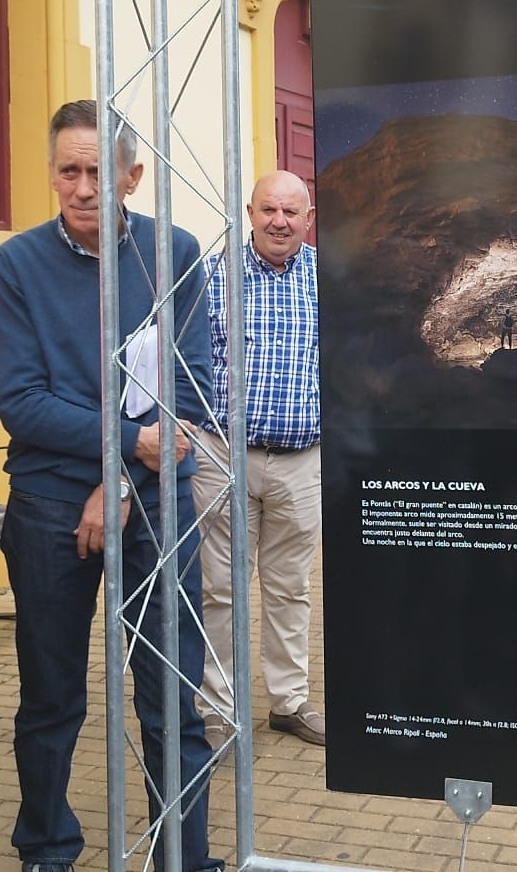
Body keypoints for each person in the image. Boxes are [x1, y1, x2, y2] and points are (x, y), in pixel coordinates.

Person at [0, 101, 220, 872]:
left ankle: (182, 858)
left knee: (171, 698)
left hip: (156, 502)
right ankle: (47, 852)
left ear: (132, 174)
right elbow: (22, 402)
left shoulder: (174, 253)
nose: (83, 187)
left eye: (98, 170)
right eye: (68, 170)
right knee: (50, 698)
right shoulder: (17, 264)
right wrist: (120, 456)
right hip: (52, 506)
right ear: (51, 172)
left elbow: (189, 392)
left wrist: (120, 481)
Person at [195, 171, 325, 747]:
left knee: (290, 585)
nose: (279, 221)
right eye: (268, 209)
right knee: (219, 587)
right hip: (224, 453)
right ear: (249, 213)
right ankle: (215, 709)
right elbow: (180, 360)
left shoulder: (329, 278)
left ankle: (289, 702)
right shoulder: (209, 273)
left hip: (302, 460)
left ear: (308, 217)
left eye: (291, 212)